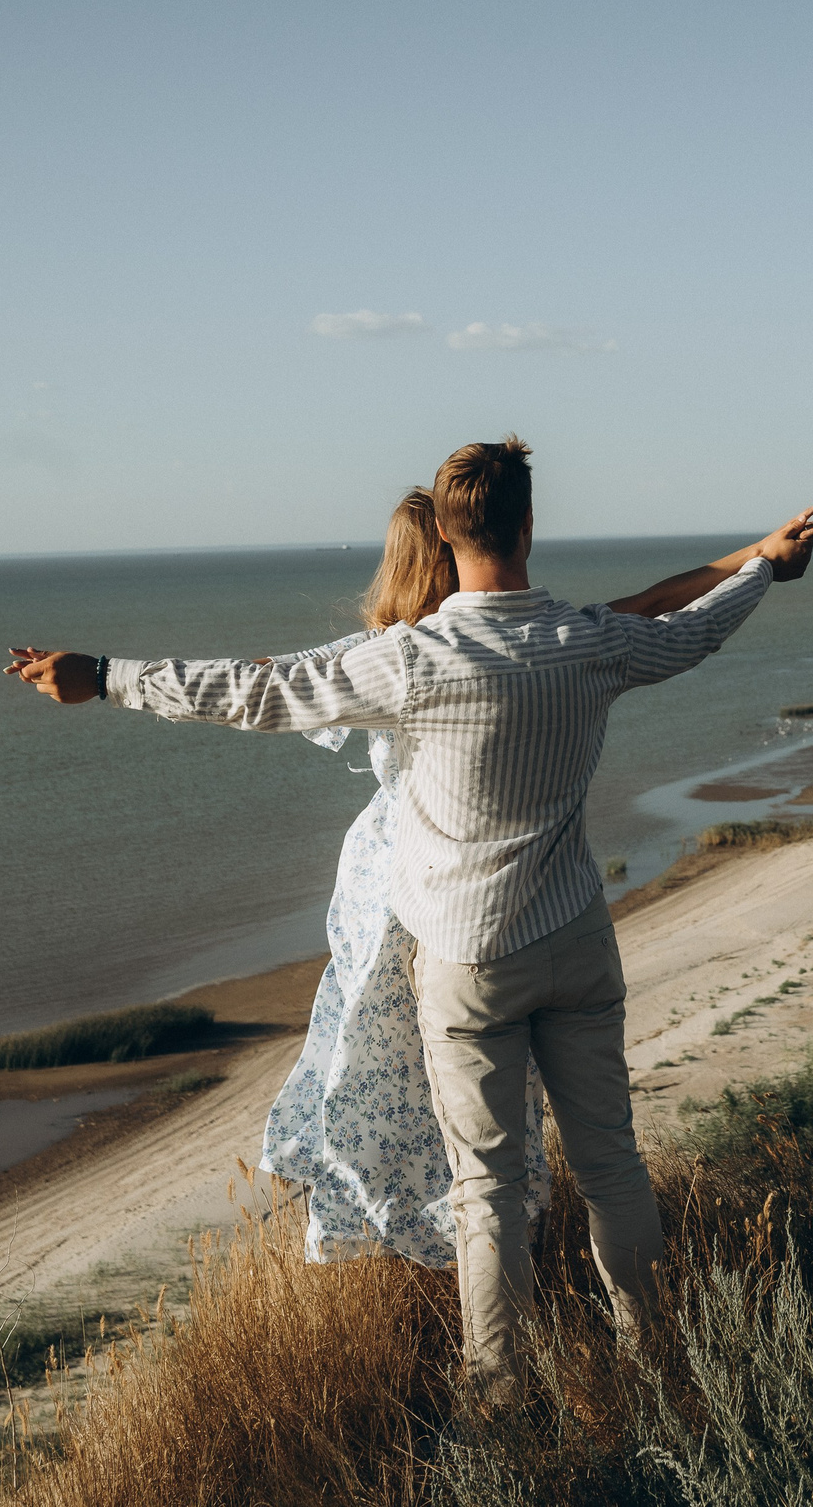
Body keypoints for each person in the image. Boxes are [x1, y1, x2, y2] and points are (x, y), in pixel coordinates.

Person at [5, 437, 813, 1395]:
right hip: (575, 938)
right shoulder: (589, 640)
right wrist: (766, 566)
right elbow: (695, 627)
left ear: (443, 532)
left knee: (487, 1192)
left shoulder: (411, 660)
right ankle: (660, 1370)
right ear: (529, 524)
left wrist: (104, 674)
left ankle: (501, 1401)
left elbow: (255, 690)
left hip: (470, 959)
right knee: (612, 1168)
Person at [256, 488, 550, 1266]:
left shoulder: (385, 650)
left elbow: (270, 680)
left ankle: (420, 1233)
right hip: (423, 882)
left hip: (381, 875)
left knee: (382, 1059)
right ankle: (469, 1237)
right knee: (451, 1078)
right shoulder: (453, 650)